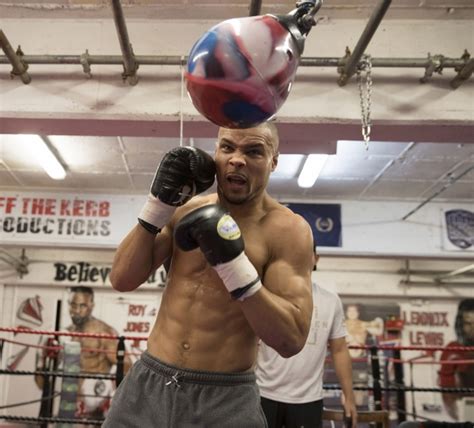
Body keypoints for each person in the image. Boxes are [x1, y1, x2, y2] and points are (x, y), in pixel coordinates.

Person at [103, 122, 314, 427]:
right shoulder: (184, 210)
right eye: (227, 147)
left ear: (273, 161)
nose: (237, 159)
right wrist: (157, 207)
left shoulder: (288, 231)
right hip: (148, 382)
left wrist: (234, 267)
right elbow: (122, 279)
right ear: (215, 152)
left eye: (253, 151)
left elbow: (290, 339)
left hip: (224, 399)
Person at [256, 245, 357, 428]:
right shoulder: (268, 294)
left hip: (308, 399)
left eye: (305, 254)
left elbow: (340, 350)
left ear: (315, 259)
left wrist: (349, 397)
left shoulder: (330, 301)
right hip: (264, 394)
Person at [35, 286, 132, 420]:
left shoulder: (104, 333)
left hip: (95, 406)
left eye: (83, 305)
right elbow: (41, 384)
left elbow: (128, 366)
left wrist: (110, 396)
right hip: (67, 405)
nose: (77, 311)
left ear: (92, 305)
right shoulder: (64, 334)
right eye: (73, 305)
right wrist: (41, 358)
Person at [438, 298, 474, 420]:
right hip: (464, 407)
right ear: (460, 324)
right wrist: (461, 419)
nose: (473, 328)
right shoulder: (453, 350)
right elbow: (447, 392)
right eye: (468, 323)